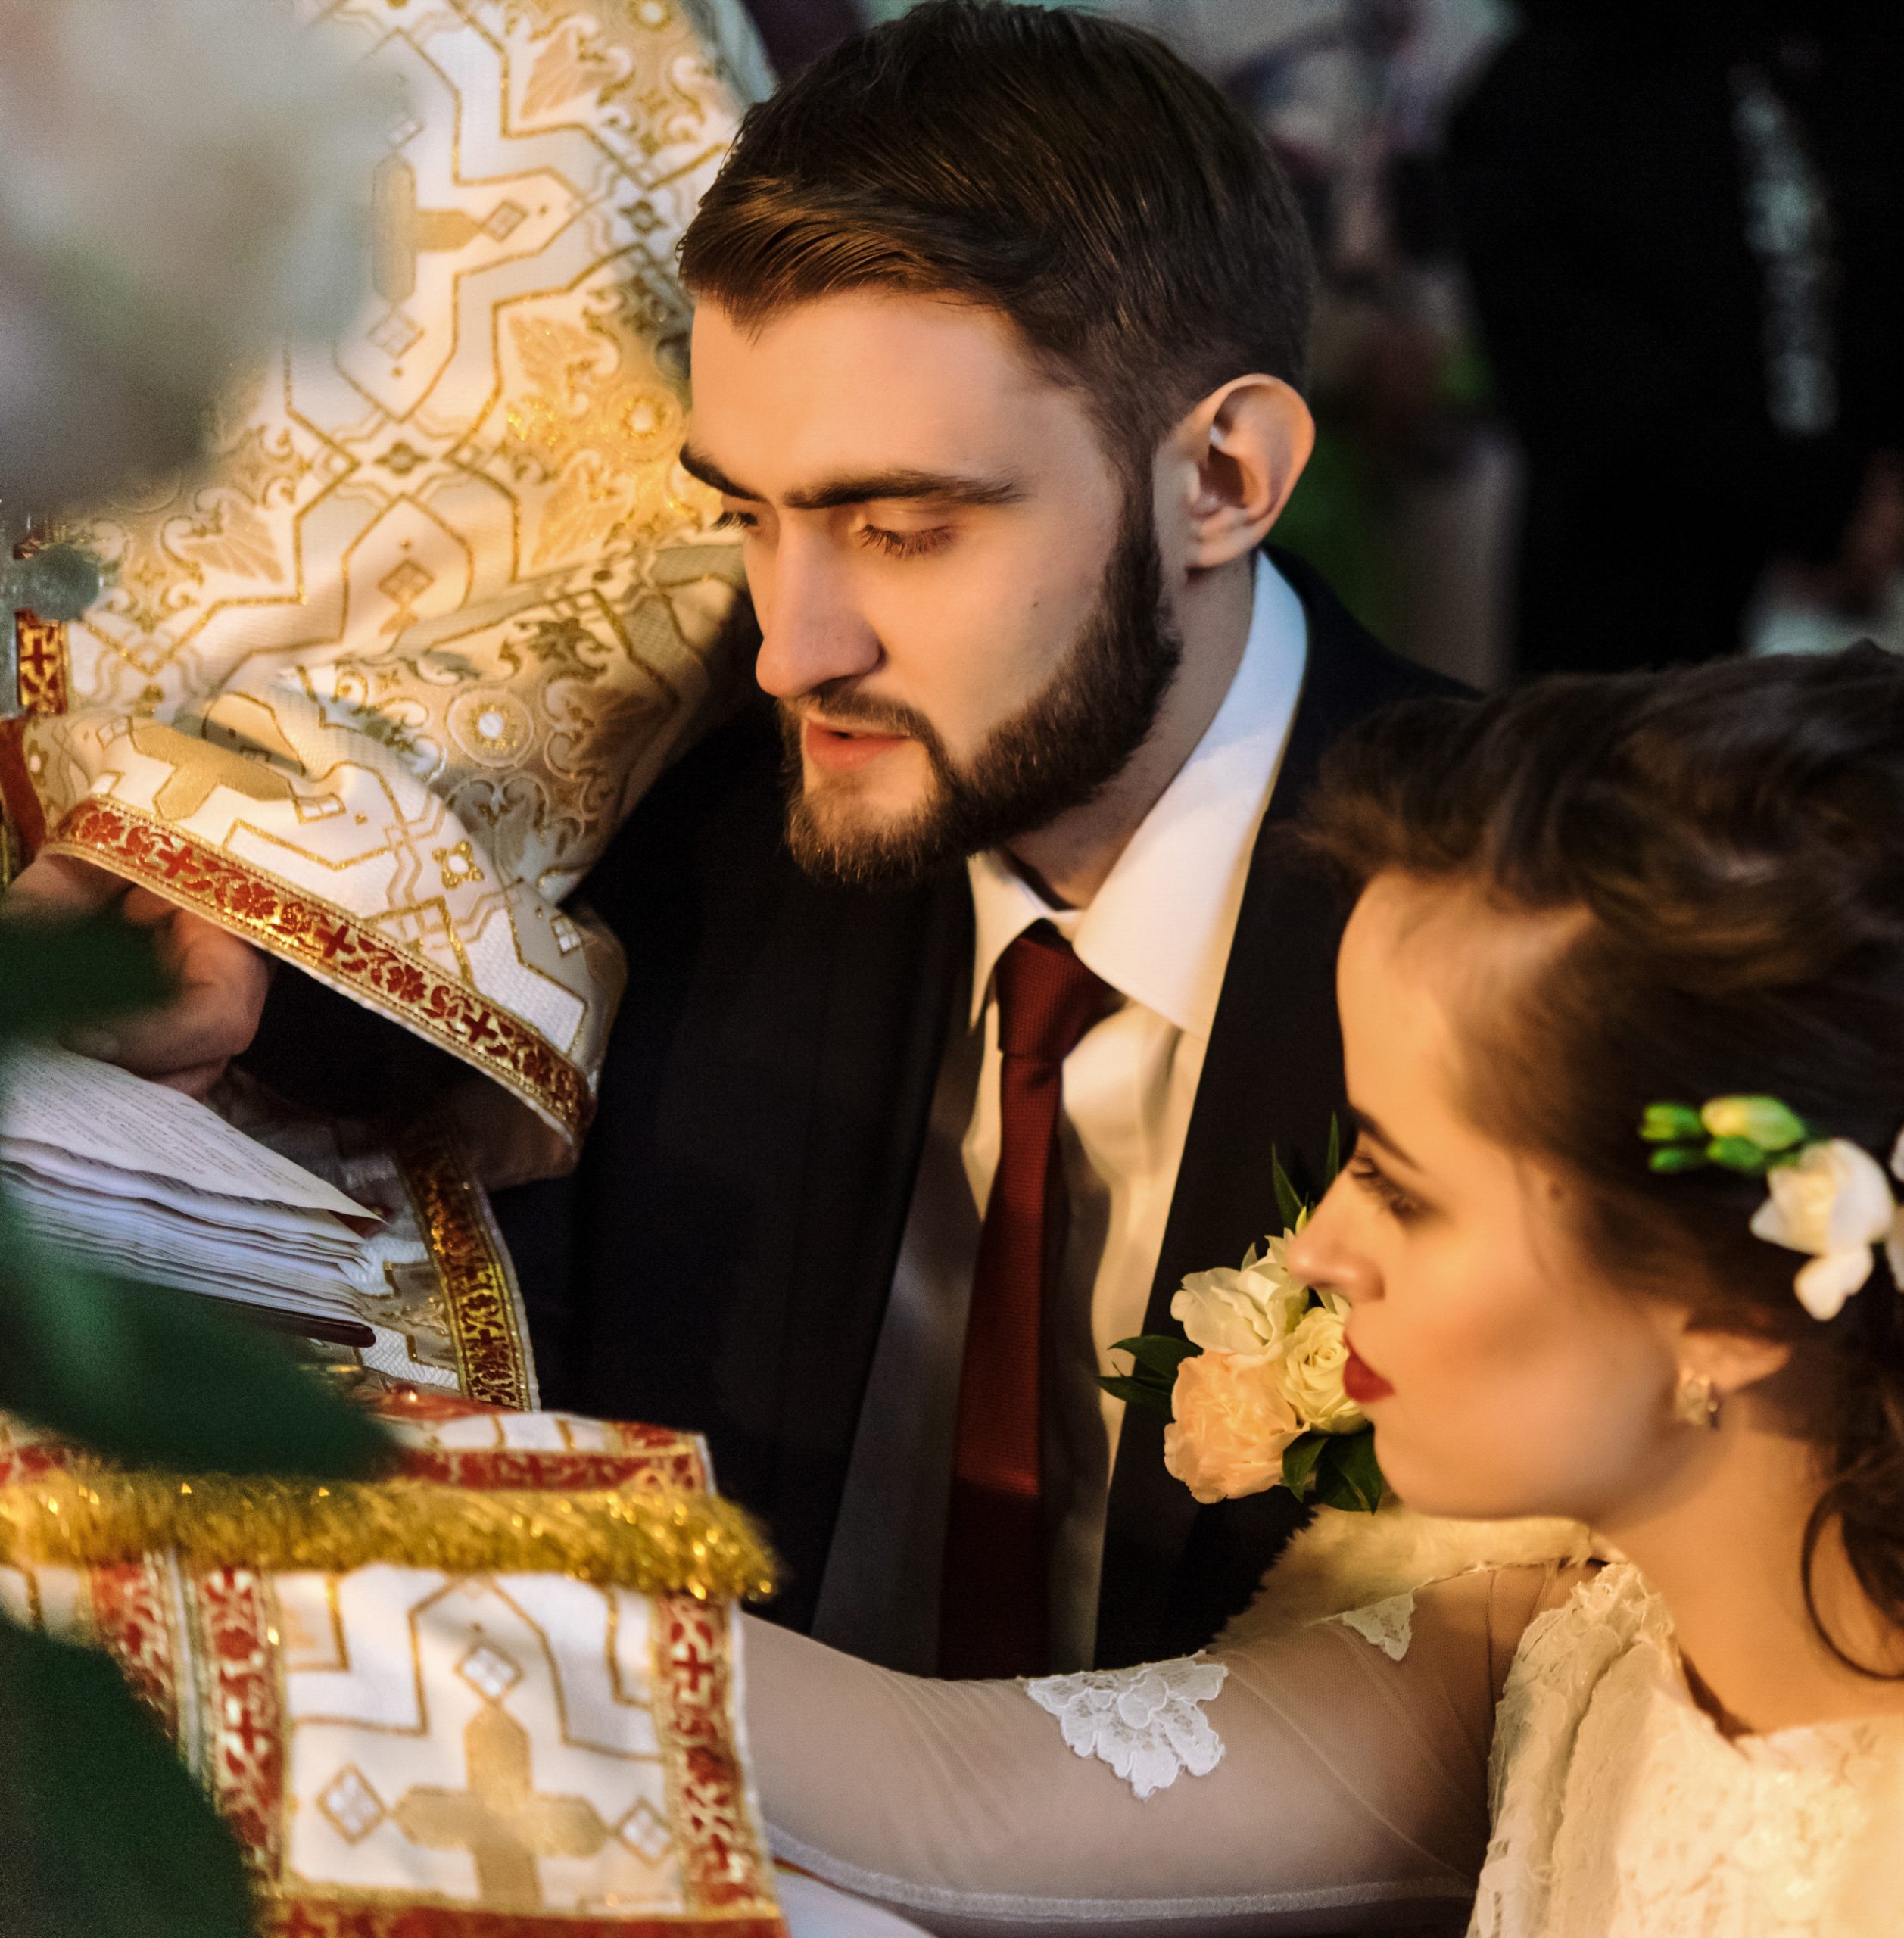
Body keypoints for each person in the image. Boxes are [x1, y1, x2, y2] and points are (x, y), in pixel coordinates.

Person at [491, 0, 1460, 1678]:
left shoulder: (1522, 922)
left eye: (901, 527)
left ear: (1222, 476)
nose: (793, 646)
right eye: (747, 514)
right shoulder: (681, 869)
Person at [730, 643, 1904, 1938]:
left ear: (1741, 1303)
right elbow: (963, 1794)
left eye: (1405, 1188)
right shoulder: (1586, 1639)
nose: (1316, 1249)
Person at [1447, 0, 1904, 676]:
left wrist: (1893, 500)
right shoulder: (1546, 85)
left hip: (1892, 591)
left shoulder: (1888, 47)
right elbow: (1573, 381)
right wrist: (1819, 504)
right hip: (1644, 634)